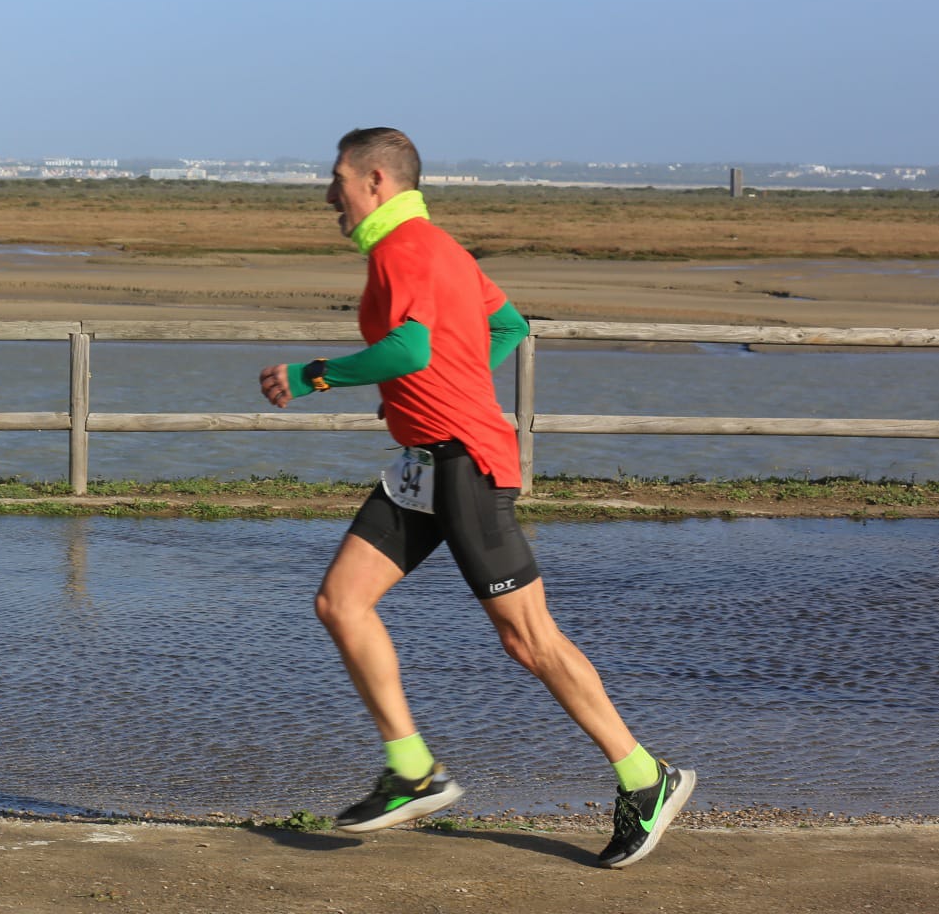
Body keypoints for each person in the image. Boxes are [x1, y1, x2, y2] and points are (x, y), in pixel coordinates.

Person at [258, 127, 694, 868]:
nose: (327, 195)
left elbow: (412, 349)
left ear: (375, 180)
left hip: (466, 466)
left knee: (528, 638)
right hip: (424, 467)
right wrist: (435, 387)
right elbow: (508, 326)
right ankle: (412, 769)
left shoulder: (411, 249)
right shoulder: (439, 249)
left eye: (336, 179)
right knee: (341, 602)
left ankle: (646, 777)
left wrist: (315, 374)